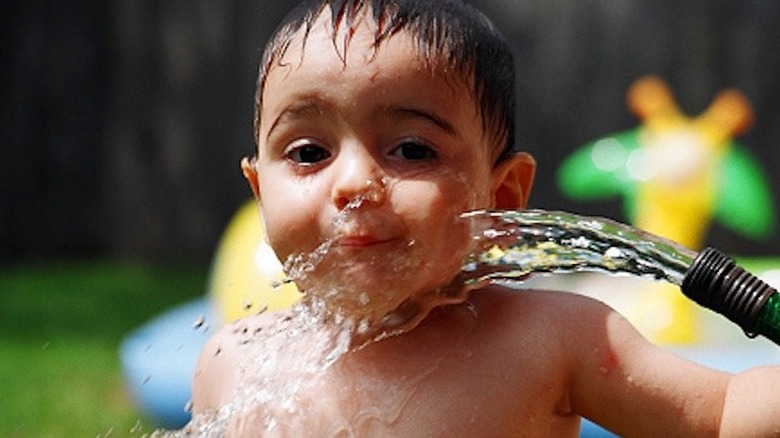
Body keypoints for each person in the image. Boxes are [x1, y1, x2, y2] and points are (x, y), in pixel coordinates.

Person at [189, 0, 780, 436]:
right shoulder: (233, 360)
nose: (352, 185)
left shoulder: (552, 340)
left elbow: (724, 414)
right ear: (260, 188)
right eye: (308, 153)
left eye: (412, 150)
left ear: (501, 196)